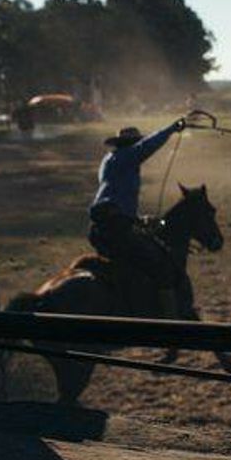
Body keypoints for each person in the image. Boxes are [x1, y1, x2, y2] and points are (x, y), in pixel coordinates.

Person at [89, 118, 187, 316]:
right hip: (116, 227)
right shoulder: (128, 156)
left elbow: (117, 199)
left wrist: (137, 220)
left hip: (104, 225)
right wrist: (172, 128)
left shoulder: (110, 161)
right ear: (131, 145)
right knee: (160, 265)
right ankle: (171, 323)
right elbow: (148, 145)